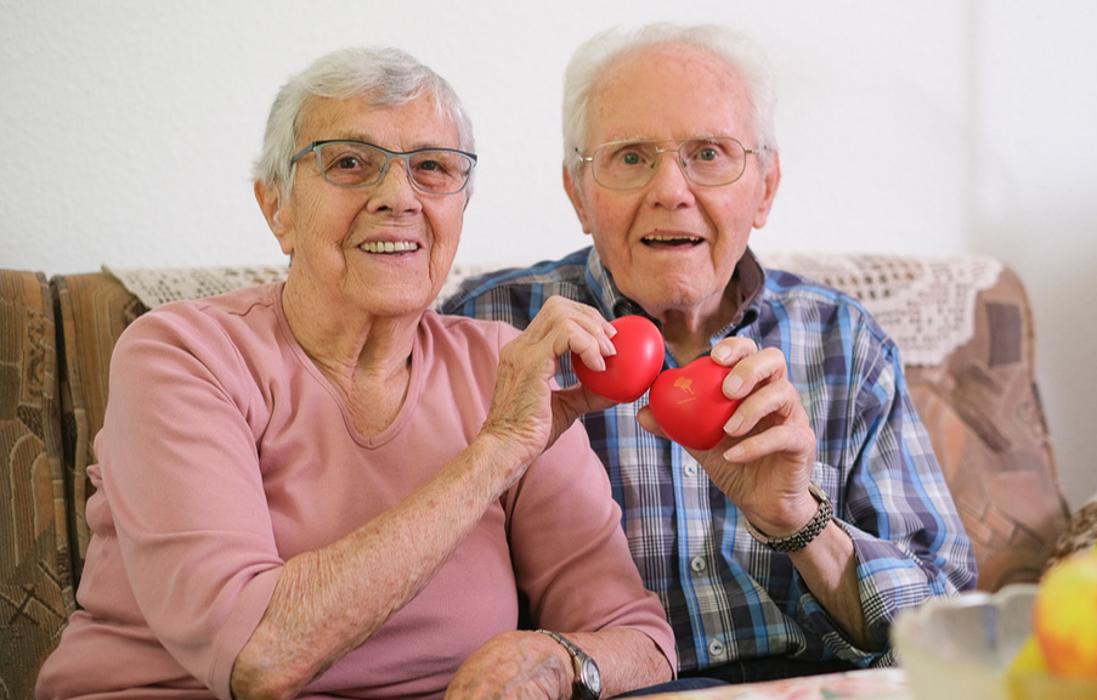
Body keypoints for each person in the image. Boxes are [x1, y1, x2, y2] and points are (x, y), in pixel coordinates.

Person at [36, 47, 676, 699]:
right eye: (349, 163)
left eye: (431, 168)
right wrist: (497, 452)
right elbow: (259, 658)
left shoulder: (499, 367)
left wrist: (560, 662)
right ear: (276, 208)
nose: (397, 197)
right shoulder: (182, 354)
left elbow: (637, 637)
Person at [442, 24, 977, 682]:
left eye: (709, 153)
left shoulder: (845, 340)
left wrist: (797, 521)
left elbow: (948, 626)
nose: (671, 190)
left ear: (767, 188)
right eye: (631, 157)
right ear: (577, 192)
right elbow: (439, 601)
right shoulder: (489, 330)